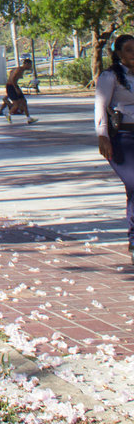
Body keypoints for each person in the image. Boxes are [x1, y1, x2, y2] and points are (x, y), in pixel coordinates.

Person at [96, 34, 134, 264]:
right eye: (129, 50)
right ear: (118, 53)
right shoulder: (110, 76)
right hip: (122, 139)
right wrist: (102, 137)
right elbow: (100, 105)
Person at [0, 60, 37, 124]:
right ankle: (8, 115)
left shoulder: (19, 69)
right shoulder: (19, 70)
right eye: (29, 65)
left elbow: (11, 73)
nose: (30, 66)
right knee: (16, 104)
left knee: (24, 102)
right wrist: (16, 88)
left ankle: (29, 118)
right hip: (11, 86)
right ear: (25, 64)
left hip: (14, 86)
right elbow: (13, 79)